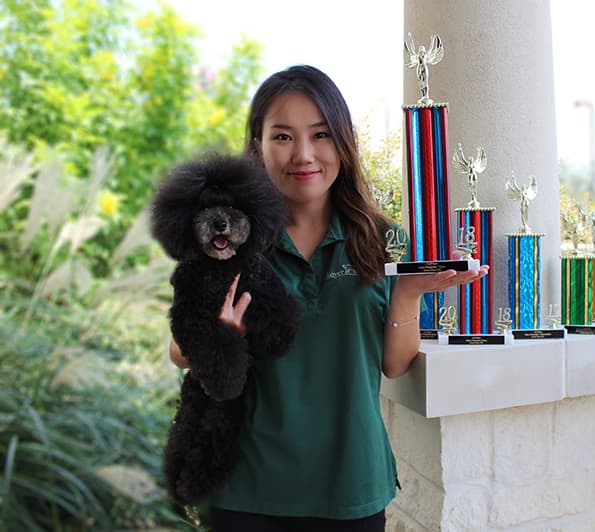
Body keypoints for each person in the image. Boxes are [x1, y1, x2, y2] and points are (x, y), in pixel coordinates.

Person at [168, 64, 488, 531]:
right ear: (257, 145)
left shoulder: (383, 240)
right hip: (247, 487)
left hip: (350, 488)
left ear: (342, 141)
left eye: (320, 135)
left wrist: (409, 294)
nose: (303, 154)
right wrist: (220, 337)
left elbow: (394, 364)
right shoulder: (227, 236)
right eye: (282, 136)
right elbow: (179, 351)